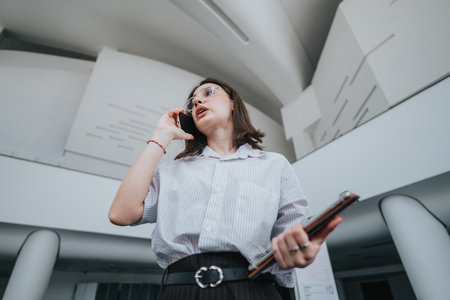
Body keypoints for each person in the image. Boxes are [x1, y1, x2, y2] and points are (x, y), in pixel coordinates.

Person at [108, 78, 343, 300]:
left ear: (233, 103)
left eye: (208, 93)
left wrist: (296, 251)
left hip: (252, 289)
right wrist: (161, 136)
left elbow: (291, 236)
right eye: (193, 102)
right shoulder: (172, 171)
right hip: (179, 291)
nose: (197, 101)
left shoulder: (274, 165)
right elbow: (121, 214)